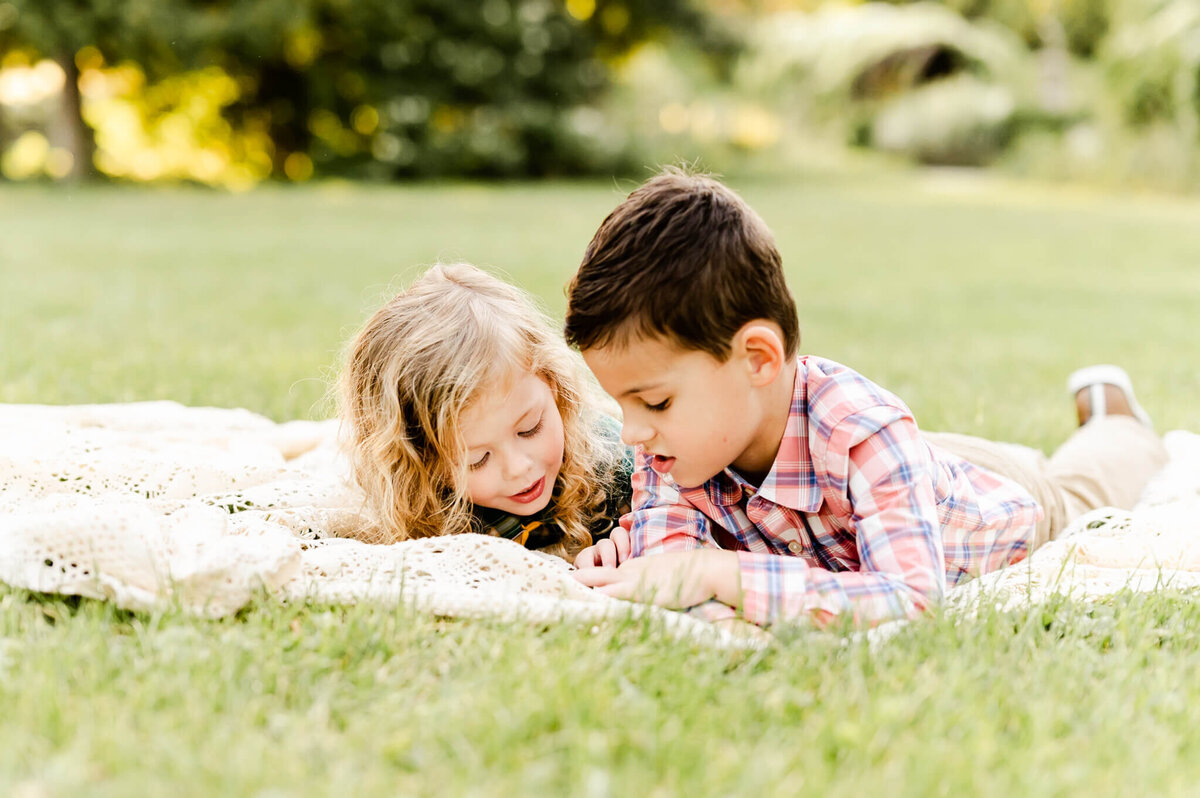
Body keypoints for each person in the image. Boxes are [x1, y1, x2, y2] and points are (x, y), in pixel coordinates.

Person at [565, 168, 1167, 628]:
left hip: (996, 508)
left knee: (1085, 484)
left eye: (656, 403)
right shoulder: (669, 444)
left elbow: (910, 601)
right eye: (624, 407)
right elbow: (673, 569)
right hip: (905, 472)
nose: (633, 433)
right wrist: (652, 573)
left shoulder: (862, 433)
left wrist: (726, 573)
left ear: (756, 359)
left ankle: (1114, 416)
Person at [339, 262, 632, 562]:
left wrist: (627, 544)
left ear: (552, 384)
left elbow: (675, 523)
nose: (517, 468)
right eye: (477, 460)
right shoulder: (425, 509)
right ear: (426, 462)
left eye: (530, 428)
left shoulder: (615, 464)